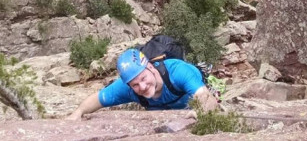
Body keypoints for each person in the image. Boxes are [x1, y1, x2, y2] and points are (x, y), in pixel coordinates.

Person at [66, 48, 217, 119]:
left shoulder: (178, 72)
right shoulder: (128, 86)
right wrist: (78, 112)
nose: (142, 87)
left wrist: (201, 113)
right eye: (135, 85)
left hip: (195, 96)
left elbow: (204, 96)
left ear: (150, 66)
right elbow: (99, 98)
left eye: (144, 79)